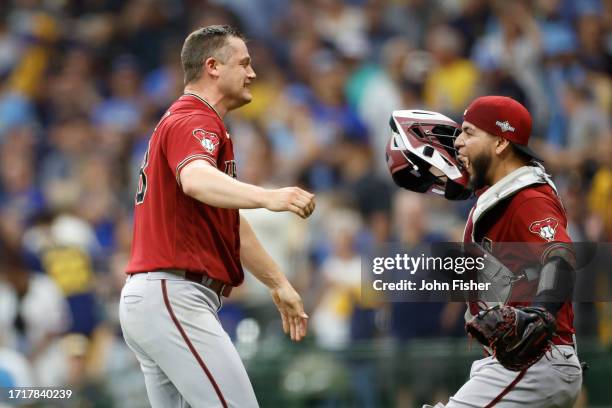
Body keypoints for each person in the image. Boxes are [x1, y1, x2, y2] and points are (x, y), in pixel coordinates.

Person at [119, 25, 315, 408]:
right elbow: (194, 179)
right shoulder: (195, 118)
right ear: (212, 67)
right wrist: (267, 197)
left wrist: (277, 283)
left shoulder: (188, 120)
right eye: (243, 63)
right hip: (173, 295)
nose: (252, 73)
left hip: (159, 296)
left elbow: (229, 222)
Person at [424, 96, 582, 407]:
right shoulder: (501, 192)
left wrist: (543, 312)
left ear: (499, 143)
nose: (458, 141)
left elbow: (560, 255)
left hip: (536, 364)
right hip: (521, 364)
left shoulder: (527, 196)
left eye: (469, 132)